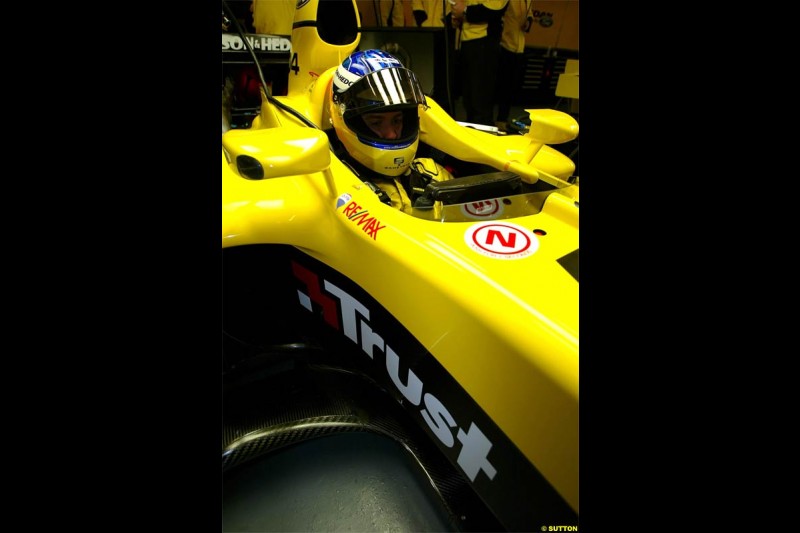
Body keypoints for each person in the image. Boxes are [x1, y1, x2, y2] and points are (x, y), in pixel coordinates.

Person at [328, 49, 455, 212]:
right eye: (376, 122)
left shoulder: (433, 174)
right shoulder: (335, 188)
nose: (392, 134)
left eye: (397, 120)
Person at [449, 0, 508, 126]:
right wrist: (459, 17)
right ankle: (471, 131)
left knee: (481, 98)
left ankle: (483, 133)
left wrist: (465, 10)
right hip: (466, 41)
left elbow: (494, 9)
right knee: (468, 97)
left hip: (484, 42)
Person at [494, 0, 531, 131]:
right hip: (504, 44)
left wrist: (528, 23)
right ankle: (492, 120)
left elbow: (529, 16)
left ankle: (502, 119)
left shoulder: (528, 1)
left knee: (510, 87)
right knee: (499, 85)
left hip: (519, 47)